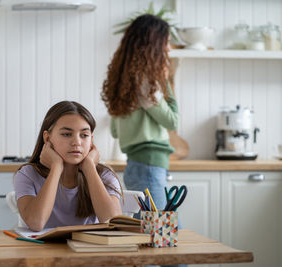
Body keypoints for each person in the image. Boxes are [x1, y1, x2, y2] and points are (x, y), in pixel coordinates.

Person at [101, 14, 178, 212]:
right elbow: (172, 121)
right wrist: (166, 81)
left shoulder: (124, 79)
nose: (169, 48)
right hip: (150, 166)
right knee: (163, 231)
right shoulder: (146, 81)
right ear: (154, 44)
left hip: (137, 165)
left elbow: (115, 132)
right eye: (167, 42)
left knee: (149, 231)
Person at [14, 101, 122, 231]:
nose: (77, 142)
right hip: (43, 250)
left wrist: (89, 168)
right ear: (47, 139)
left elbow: (113, 223)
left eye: (84, 135)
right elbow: (36, 223)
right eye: (66, 134)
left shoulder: (105, 175)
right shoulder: (27, 174)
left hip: (89, 251)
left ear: (91, 141)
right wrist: (56, 168)